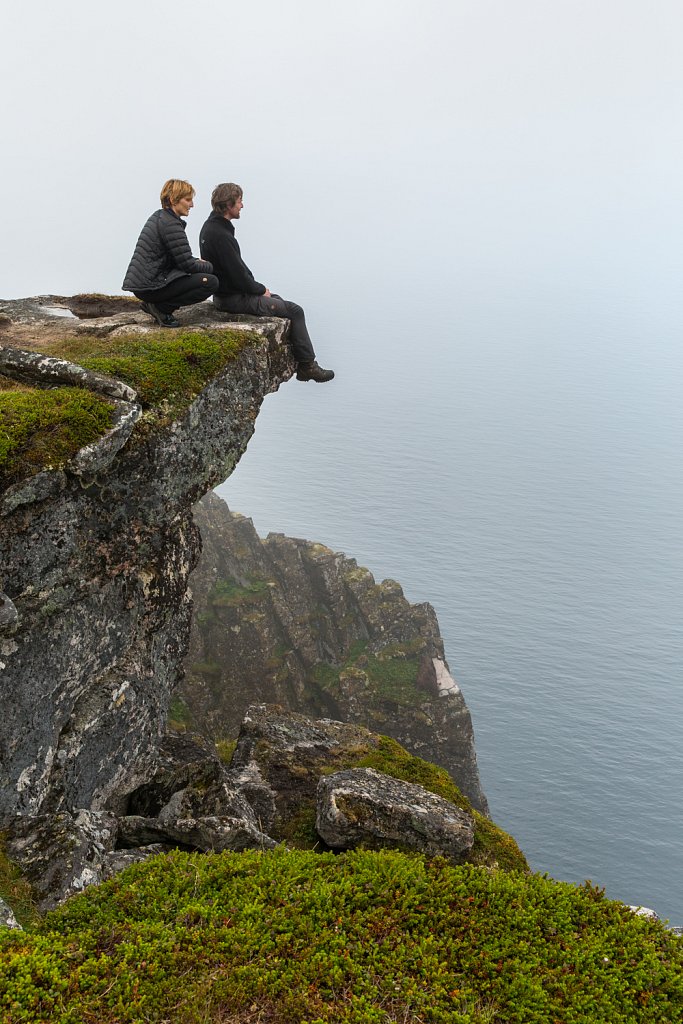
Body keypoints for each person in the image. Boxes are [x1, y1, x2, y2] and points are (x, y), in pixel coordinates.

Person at [199, 183, 334, 382]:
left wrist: (258, 289)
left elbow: (235, 270)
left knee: (279, 300)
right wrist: (260, 289)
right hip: (232, 299)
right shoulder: (221, 235)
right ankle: (307, 366)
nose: (242, 206)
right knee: (295, 311)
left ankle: (305, 362)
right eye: (239, 202)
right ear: (228, 205)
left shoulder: (212, 228)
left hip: (224, 295)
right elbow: (238, 276)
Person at [123, 179, 219, 328]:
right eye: (188, 200)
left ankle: (156, 305)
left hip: (146, 284)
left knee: (201, 275)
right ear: (173, 200)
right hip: (151, 287)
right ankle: (161, 309)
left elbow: (179, 257)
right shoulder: (170, 224)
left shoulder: (161, 217)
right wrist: (208, 266)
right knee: (210, 282)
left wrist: (195, 262)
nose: (192, 204)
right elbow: (187, 264)